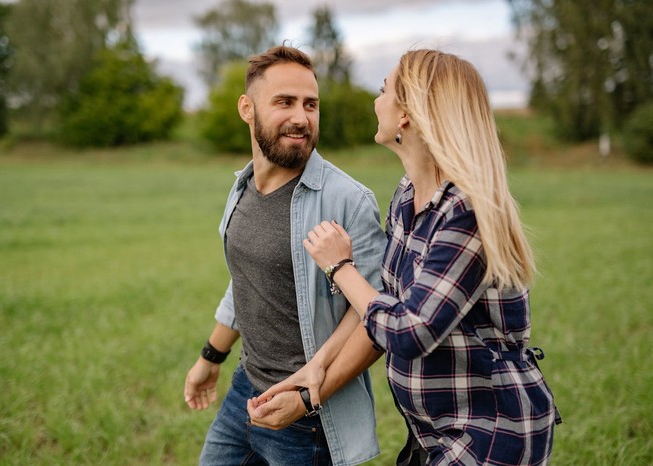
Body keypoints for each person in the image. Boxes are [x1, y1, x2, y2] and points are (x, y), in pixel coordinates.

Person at [252, 49, 561, 465]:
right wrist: (318, 367)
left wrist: (340, 267)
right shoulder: (406, 196)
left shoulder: (465, 210)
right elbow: (383, 303)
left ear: (406, 115)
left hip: (489, 433)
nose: (375, 100)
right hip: (433, 431)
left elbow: (408, 332)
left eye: (384, 90)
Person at [183, 45, 387, 466]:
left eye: (310, 104)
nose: (301, 117)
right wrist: (211, 356)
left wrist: (306, 398)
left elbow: (376, 320)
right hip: (245, 391)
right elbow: (246, 282)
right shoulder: (242, 187)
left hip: (307, 417)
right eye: (284, 102)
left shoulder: (348, 200)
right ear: (247, 109)